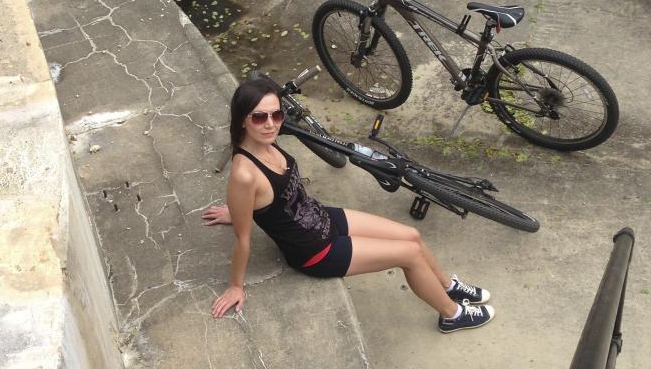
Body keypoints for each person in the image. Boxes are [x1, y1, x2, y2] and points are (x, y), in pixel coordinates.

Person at [204, 74, 494, 332]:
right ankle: (452, 314)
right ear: (242, 118)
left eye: (276, 115)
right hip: (315, 251)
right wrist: (235, 286)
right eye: (259, 117)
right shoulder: (243, 174)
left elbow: (264, 198)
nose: (270, 124)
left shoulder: (265, 140)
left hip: (321, 218)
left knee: (412, 236)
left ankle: (448, 287)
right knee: (410, 254)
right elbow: (243, 239)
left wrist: (238, 208)